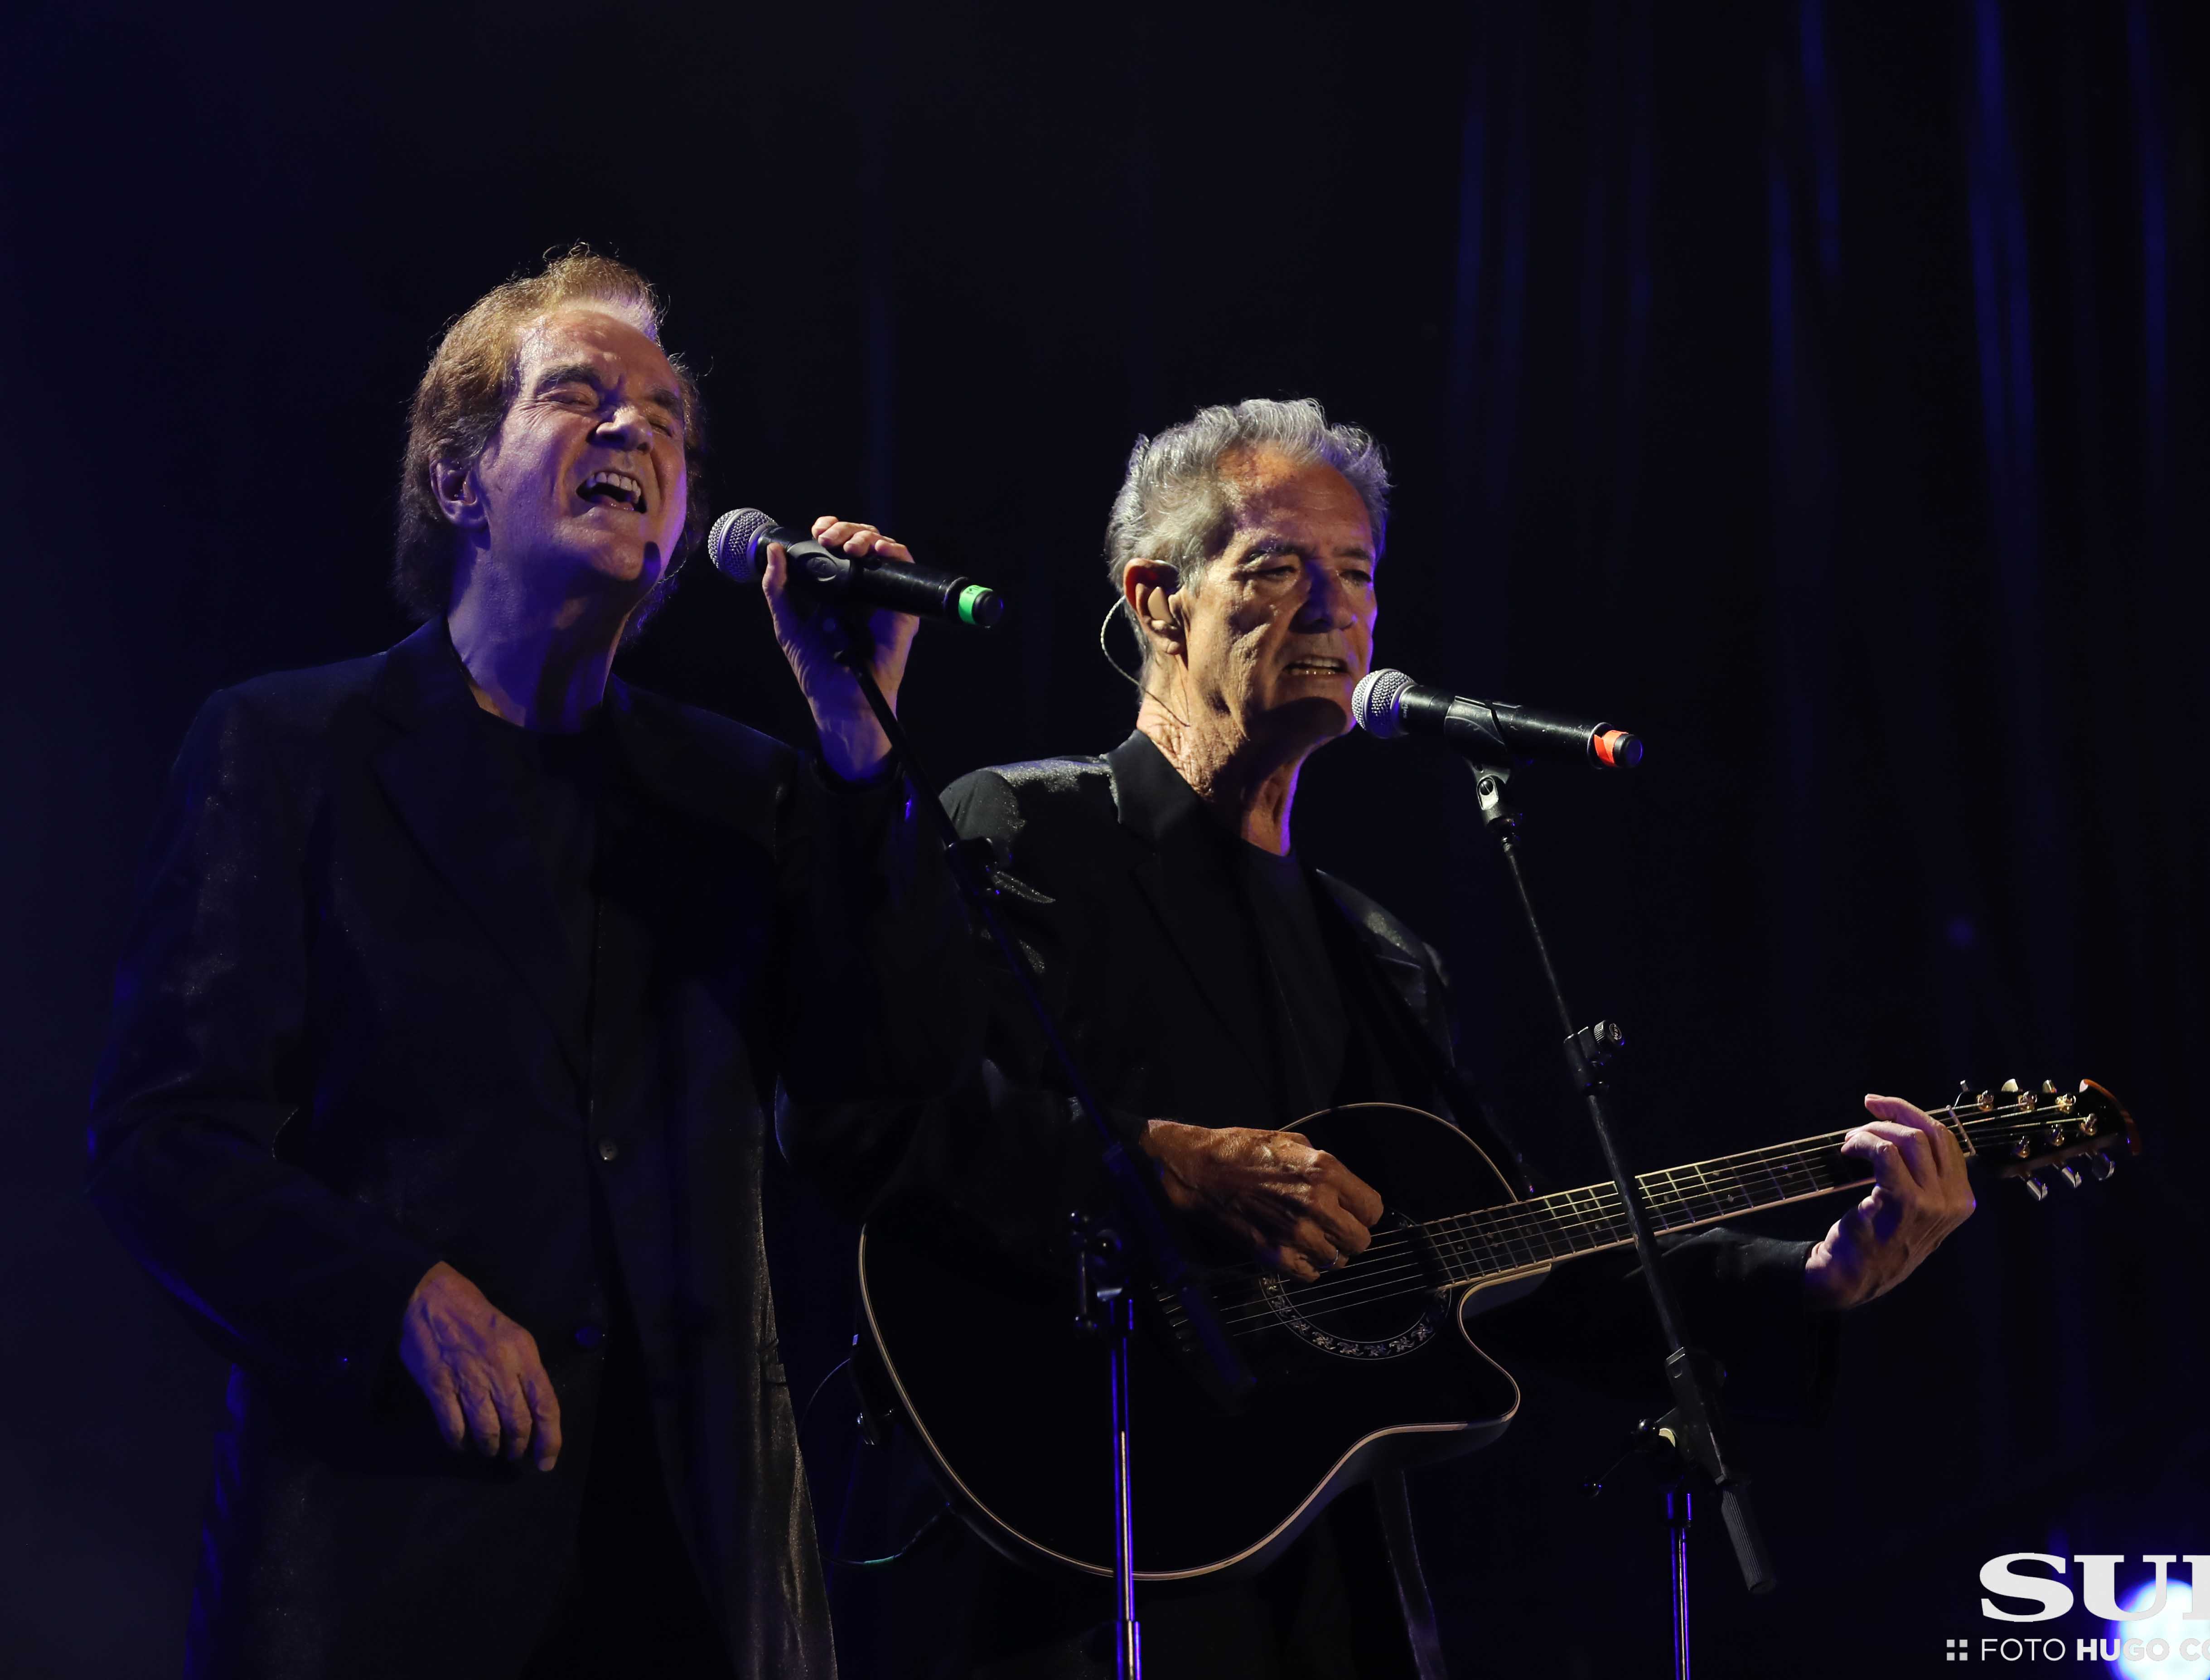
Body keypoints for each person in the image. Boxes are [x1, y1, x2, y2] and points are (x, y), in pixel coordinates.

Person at [785, 398, 1976, 1679]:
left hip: (1323, 1574)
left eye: (1355, 574)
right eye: (1278, 567)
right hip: (1075, 1542)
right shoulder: (1016, 834)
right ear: (1156, 600)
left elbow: (1526, 1263)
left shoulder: (1381, 955)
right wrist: (1163, 1162)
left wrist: (1813, 1276)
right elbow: (890, 1114)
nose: (1333, 607)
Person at [85, 249, 980, 1680]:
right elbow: (161, 1139)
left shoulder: (749, 793)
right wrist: (392, 1291)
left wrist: (861, 742)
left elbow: (896, 1100)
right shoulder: (288, 752)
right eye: (583, 396)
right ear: (457, 479)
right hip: (390, 1560)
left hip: (697, 1567)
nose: (637, 431)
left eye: (668, 421)